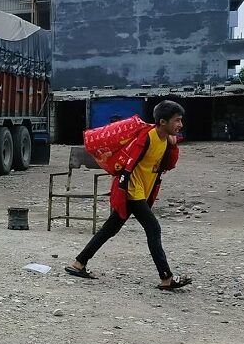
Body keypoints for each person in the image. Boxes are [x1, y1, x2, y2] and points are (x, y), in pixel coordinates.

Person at [65, 100, 192, 290]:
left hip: (143, 191)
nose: (180, 125)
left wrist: (173, 146)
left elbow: (169, 165)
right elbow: (129, 161)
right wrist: (123, 189)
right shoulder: (147, 136)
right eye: (177, 120)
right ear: (163, 122)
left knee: (110, 228)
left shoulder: (165, 140)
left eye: (181, 121)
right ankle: (166, 278)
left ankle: (79, 263)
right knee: (153, 229)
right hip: (132, 191)